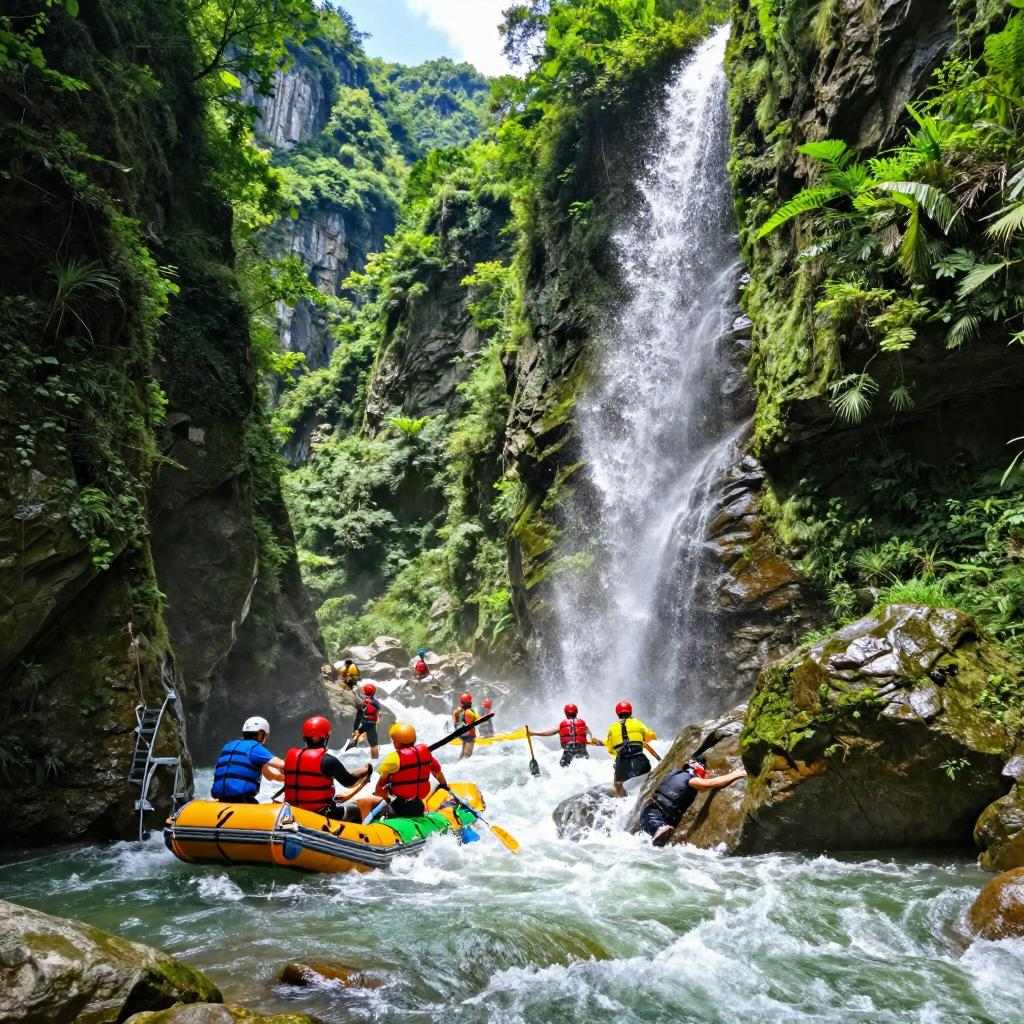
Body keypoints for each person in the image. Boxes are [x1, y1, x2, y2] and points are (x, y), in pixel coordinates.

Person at [639, 755, 747, 847]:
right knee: (660, 830)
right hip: (655, 815)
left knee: (656, 841)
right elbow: (711, 783)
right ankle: (660, 830)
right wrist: (735, 774)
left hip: (651, 812)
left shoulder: (675, 773)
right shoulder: (692, 780)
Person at [283, 715, 372, 820]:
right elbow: (349, 782)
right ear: (325, 737)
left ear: (304, 737)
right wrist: (366, 770)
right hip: (321, 814)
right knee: (356, 810)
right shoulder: (328, 761)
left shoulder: (290, 757)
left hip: (292, 812)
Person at [373, 722, 450, 818]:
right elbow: (437, 773)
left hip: (398, 807)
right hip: (418, 806)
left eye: (393, 740)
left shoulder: (393, 758)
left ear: (396, 742)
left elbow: (379, 788)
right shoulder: (426, 755)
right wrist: (444, 786)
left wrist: (384, 801)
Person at [211, 716, 285, 803]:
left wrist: (284, 778)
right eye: (266, 735)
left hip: (221, 799)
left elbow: (269, 775)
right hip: (242, 800)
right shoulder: (255, 748)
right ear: (261, 734)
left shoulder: (229, 745)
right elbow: (283, 764)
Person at [604, 701, 657, 797]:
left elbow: (610, 749)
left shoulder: (612, 728)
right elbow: (652, 736)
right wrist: (641, 739)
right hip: (640, 761)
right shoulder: (638, 723)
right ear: (630, 712)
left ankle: (621, 800)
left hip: (622, 763)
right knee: (649, 778)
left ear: (617, 713)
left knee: (618, 784)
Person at [349, 683, 382, 758]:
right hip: (371, 725)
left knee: (358, 733)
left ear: (364, 692)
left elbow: (358, 717)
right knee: (374, 745)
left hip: (364, 723)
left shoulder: (363, 703)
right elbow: (378, 711)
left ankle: (354, 740)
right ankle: (375, 759)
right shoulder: (376, 703)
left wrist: (355, 728)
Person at [453, 692, 478, 760]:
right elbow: (476, 719)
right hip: (469, 735)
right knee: (467, 755)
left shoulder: (456, 711)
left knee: (463, 752)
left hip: (461, 735)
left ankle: (458, 763)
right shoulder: (469, 711)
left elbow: (455, 723)